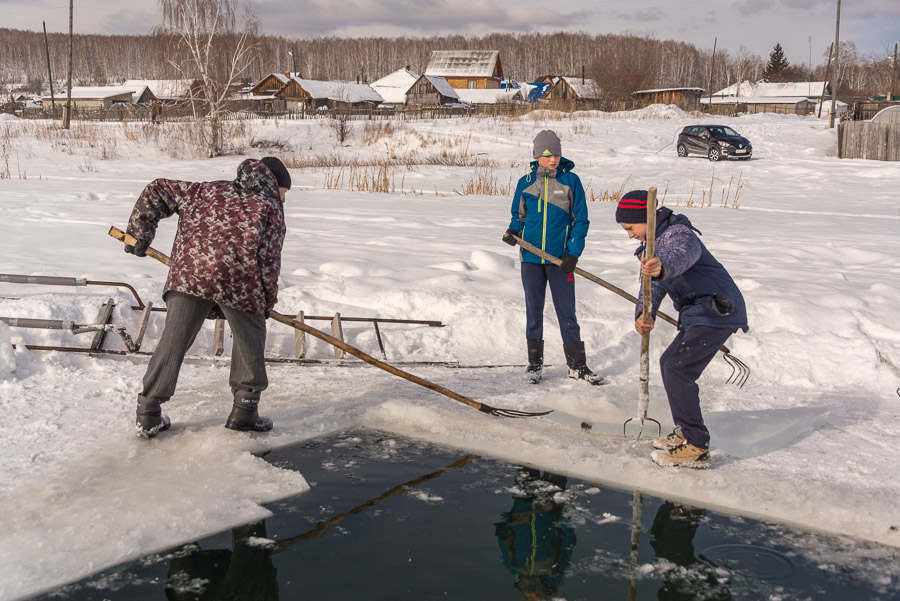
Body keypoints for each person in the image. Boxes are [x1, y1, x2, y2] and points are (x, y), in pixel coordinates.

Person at [125, 156, 291, 438]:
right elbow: (268, 262)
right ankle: (245, 411)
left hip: (191, 274)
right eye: (285, 192)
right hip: (241, 280)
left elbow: (158, 189)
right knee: (250, 338)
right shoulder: (270, 206)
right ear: (274, 183)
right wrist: (265, 301)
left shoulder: (204, 190)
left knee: (174, 339)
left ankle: (148, 411)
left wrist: (139, 234)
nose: (284, 199)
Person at [616, 190, 748, 468]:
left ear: (646, 220)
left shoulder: (678, 234)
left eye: (630, 228)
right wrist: (644, 312)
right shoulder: (651, 249)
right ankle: (686, 432)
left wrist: (662, 265)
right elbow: (652, 286)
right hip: (698, 312)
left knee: (677, 368)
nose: (629, 235)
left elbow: (683, 255)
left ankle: (696, 445)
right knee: (670, 364)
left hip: (718, 309)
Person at [502, 130, 602, 385]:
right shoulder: (525, 182)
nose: (553, 159)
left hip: (561, 261)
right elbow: (519, 215)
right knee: (533, 311)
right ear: (537, 156)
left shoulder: (571, 181)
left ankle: (577, 366)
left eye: (556, 153)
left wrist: (573, 253)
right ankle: (534, 365)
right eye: (547, 155)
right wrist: (514, 231)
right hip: (531, 259)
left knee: (567, 313)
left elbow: (581, 220)